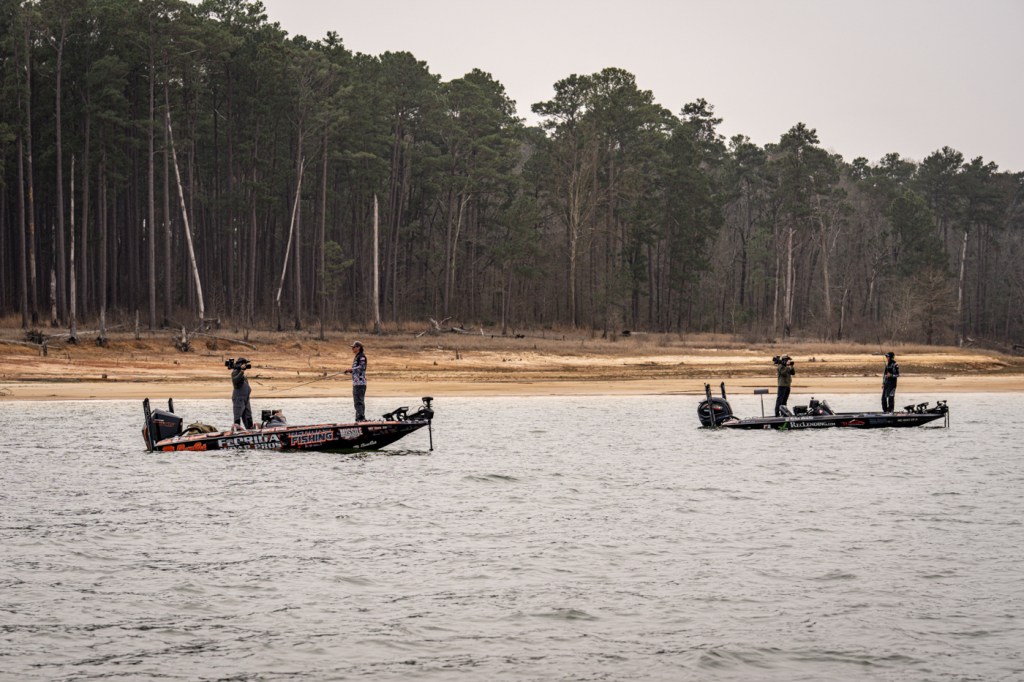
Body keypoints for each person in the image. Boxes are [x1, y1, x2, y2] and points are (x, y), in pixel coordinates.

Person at [343, 340, 367, 422]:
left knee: (359, 402)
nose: (352, 349)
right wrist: (350, 371)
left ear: (358, 348)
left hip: (360, 383)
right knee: (357, 402)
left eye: (354, 347)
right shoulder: (357, 357)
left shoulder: (362, 357)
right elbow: (357, 369)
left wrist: (351, 369)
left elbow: (362, 367)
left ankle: (361, 418)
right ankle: (359, 418)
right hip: (356, 383)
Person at [230, 357, 253, 429]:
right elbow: (235, 381)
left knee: (248, 416)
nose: (245, 365)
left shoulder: (242, 374)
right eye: (244, 364)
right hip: (239, 398)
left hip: (246, 399)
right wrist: (241, 371)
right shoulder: (235, 372)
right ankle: (236, 430)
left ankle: (250, 430)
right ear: (240, 364)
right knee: (237, 416)